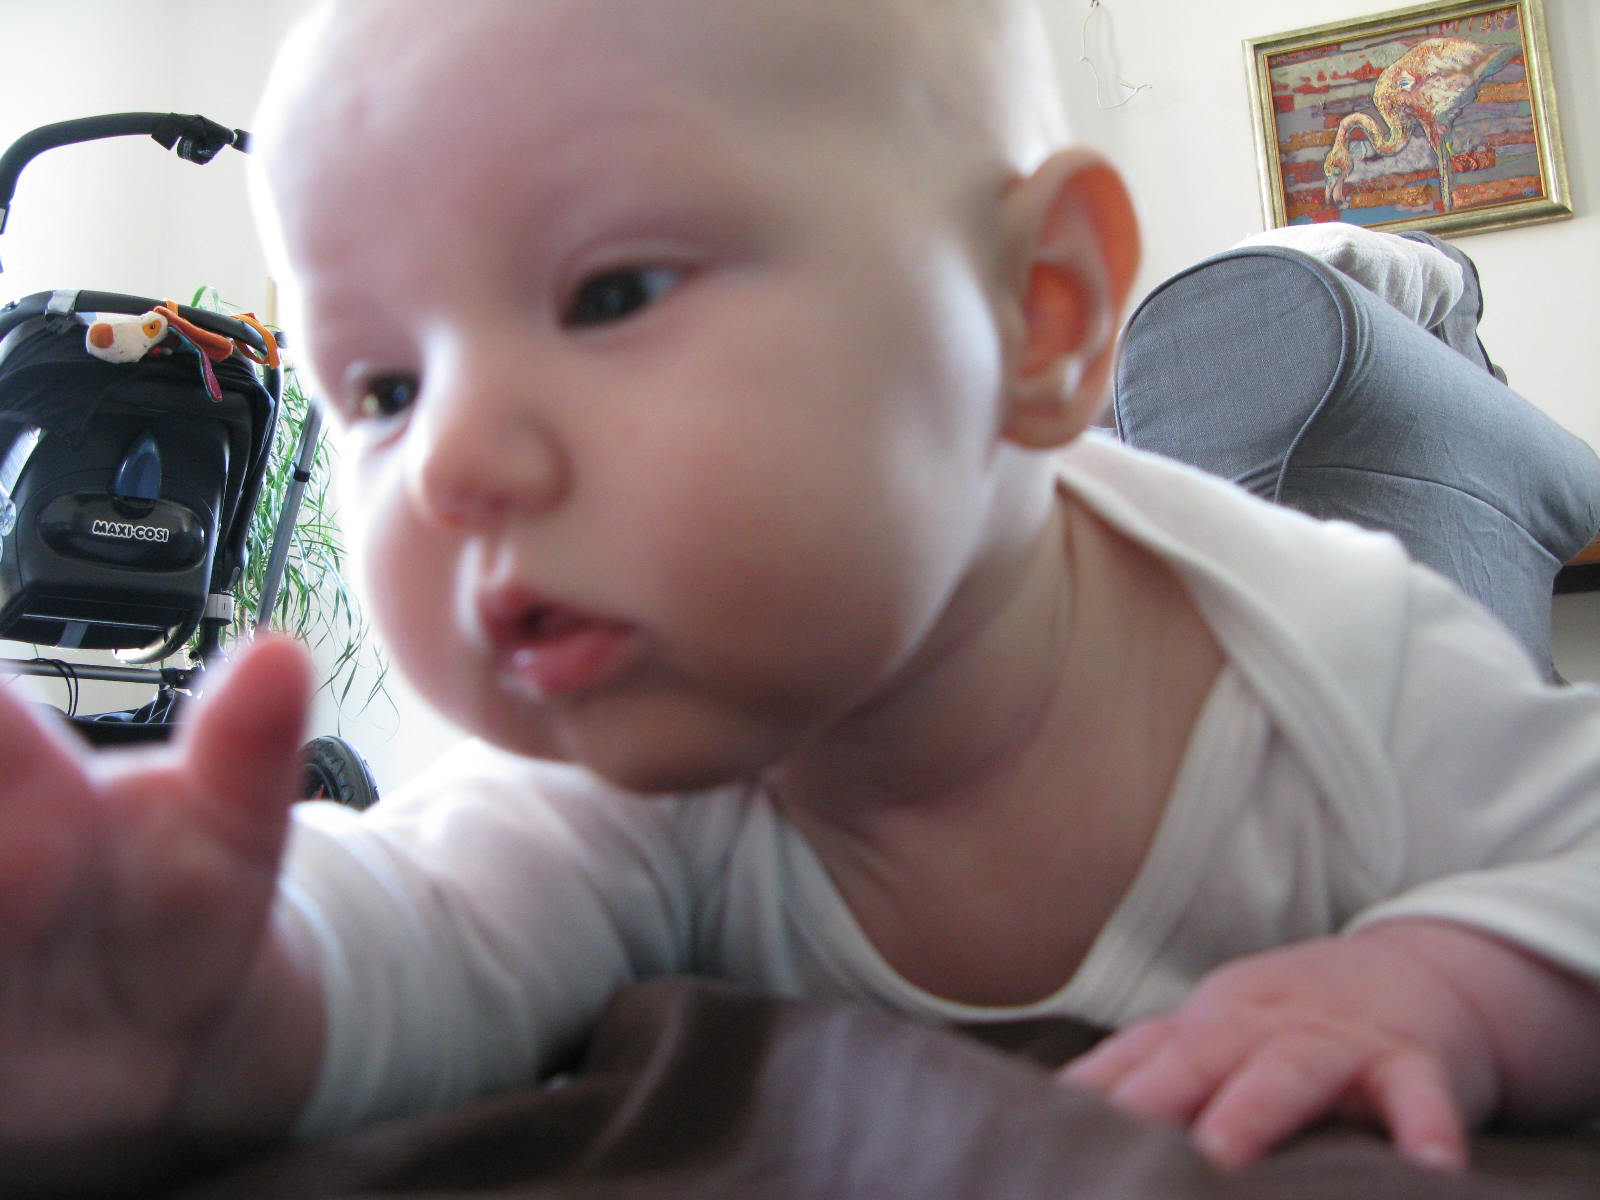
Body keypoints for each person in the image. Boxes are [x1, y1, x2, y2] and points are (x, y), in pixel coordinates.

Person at [4, 0, 1600, 1191]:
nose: (453, 465)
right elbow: (434, 925)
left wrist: (1446, 983)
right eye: (382, 388)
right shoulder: (630, 776)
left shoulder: (1331, 654)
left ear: (1038, 313)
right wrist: (210, 992)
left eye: (613, 292)